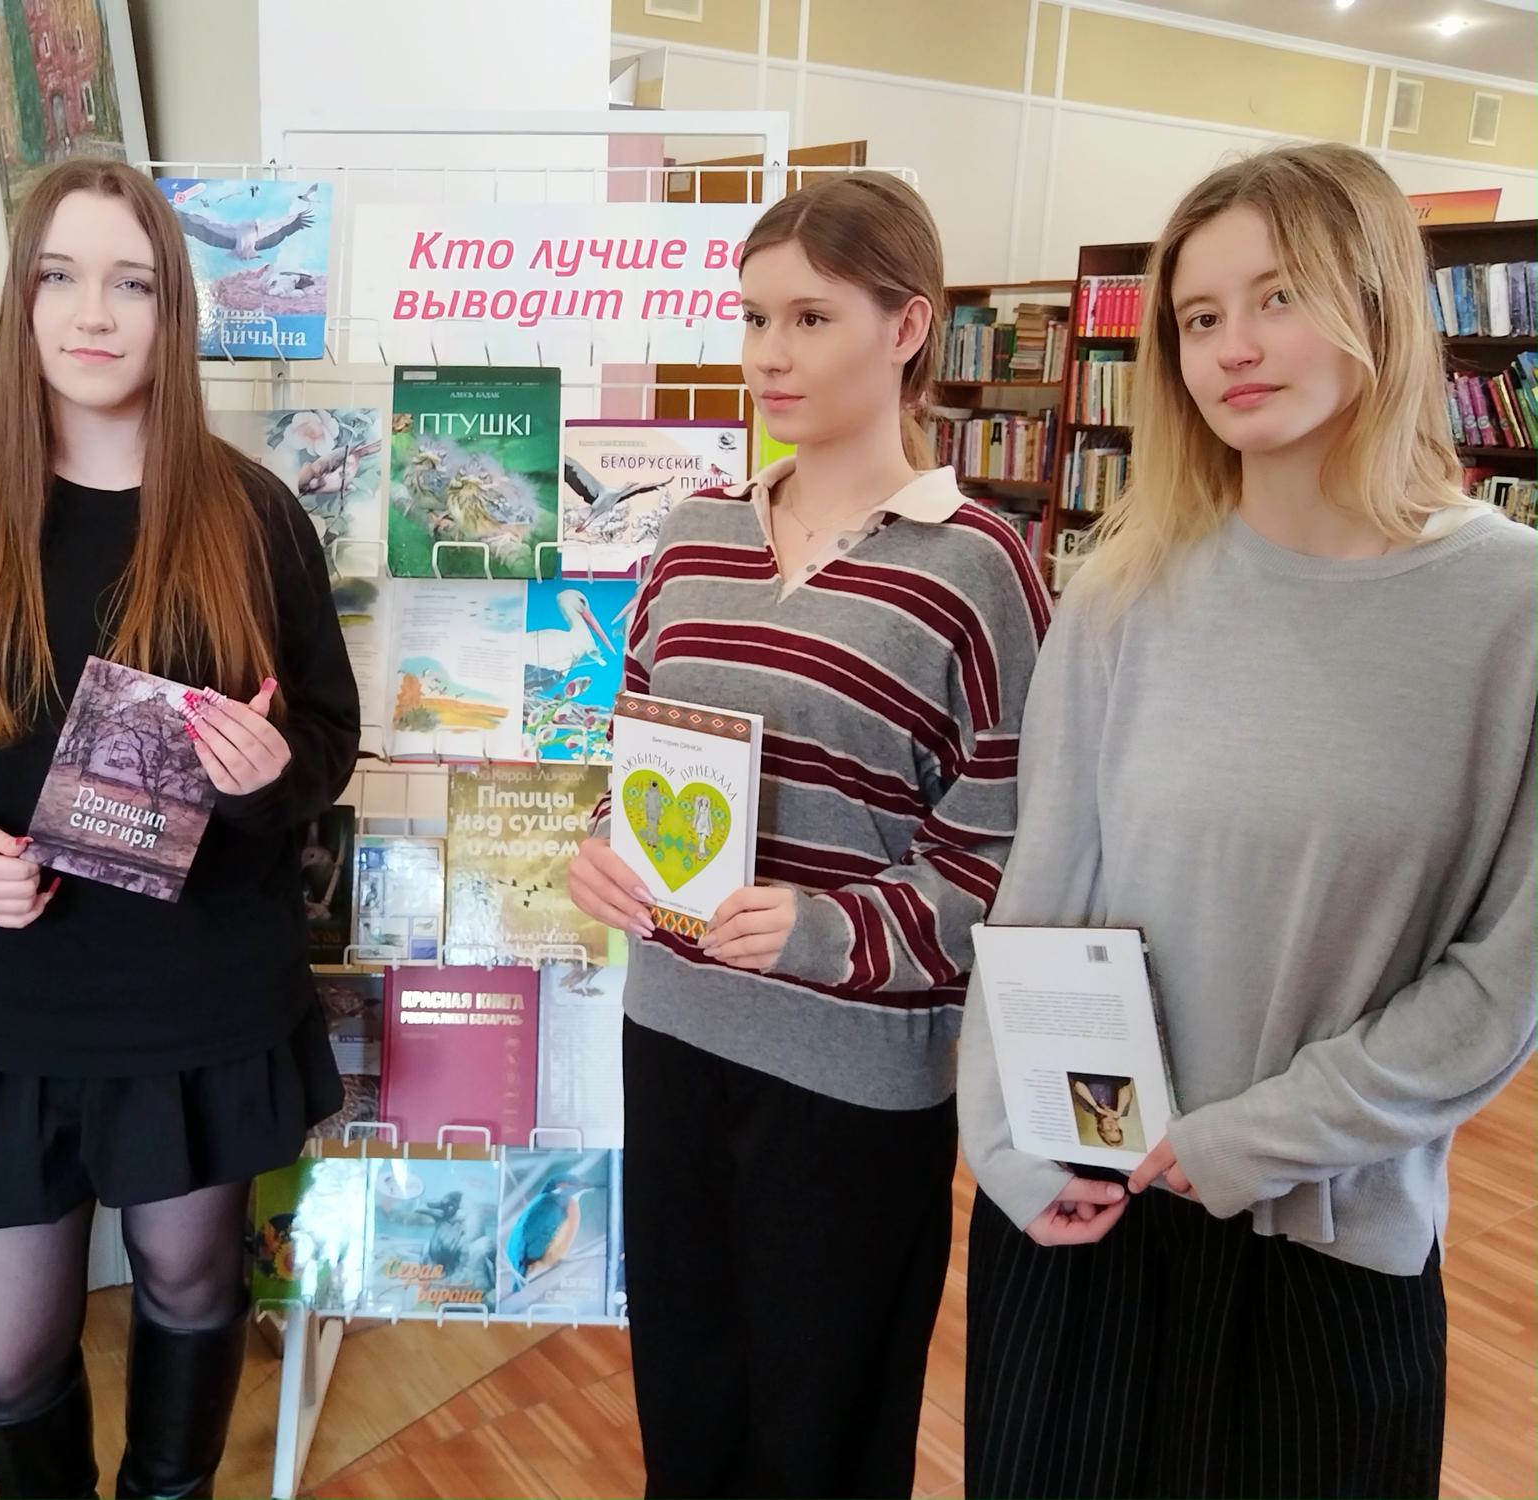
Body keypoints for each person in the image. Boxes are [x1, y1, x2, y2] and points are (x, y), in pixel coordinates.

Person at [958, 142, 1536, 1499]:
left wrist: (1244, 1143)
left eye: (1278, 298)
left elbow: (1502, 984)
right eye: (1199, 316)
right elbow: (1038, 908)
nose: (1233, 347)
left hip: (1326, 1240)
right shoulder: (1122, 591)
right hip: (1087, 1209)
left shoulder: (1510, 610)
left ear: (1376, 301)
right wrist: (1004, 1143)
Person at [0, 158, 357, 1500]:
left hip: (198, 990)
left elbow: (326, 732)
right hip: (9, 997)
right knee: (8, 1359)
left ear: (173, 309)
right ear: (22, 300)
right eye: (62, 276)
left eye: (132, 283)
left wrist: (268, 772)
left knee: (190, 1287)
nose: (94, 313)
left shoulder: (252, 513)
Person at [566, 173, 1051, 1498]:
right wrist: (608, 844)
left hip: (853, 1082)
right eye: (753, 317)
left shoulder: (978, 568)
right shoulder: (692, 538)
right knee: (688, 1417)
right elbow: (641, 754)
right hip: (673, 1036)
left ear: (908, 327)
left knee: (824, 1443)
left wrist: (829, 929)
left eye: (810, 318)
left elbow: (1006, 855)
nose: (768, 354)